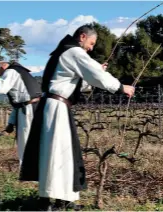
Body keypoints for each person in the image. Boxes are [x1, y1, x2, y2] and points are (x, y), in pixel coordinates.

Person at [19, 24, 135, 210]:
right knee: (58, 154)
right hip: (56, 108)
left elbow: (75, 82)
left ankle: (61, 199)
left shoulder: (64, 52)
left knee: (60, 153)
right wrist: (121, 87)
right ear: (82, 37)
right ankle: (53, 201)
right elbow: (96, 75)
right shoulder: (73, 52)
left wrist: (97, 71)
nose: (91, 47)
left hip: (55, 106)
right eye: (91, 43)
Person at [0, 61, 42, 166]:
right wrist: (11, 122)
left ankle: (29, 171)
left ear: (2, 67)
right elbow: (18, 103)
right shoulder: (21, 72)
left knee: (26, 141)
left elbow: (0, 88)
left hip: (29, 110)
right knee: (34, 140)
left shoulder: (11, 71)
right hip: (33, 107)